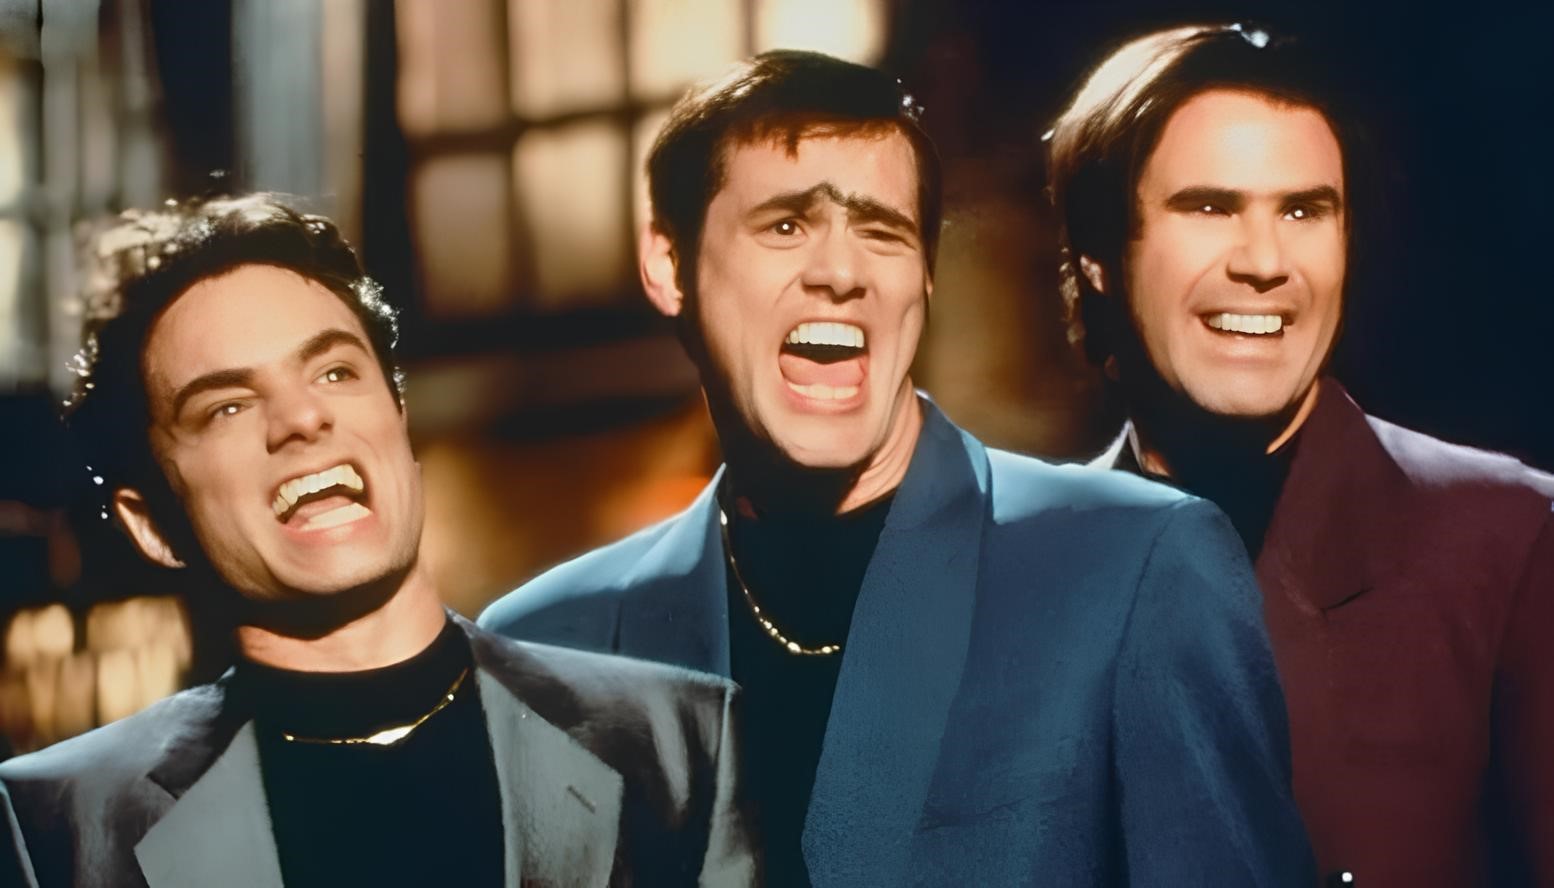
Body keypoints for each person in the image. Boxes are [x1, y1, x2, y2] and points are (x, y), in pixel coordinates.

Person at [482, 49, 1312, 886]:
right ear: (670, 266)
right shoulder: (541, 648)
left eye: (882, 232)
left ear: (924, 277)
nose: (841, 274)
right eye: (785, 225)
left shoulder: (1136, 568)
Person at [0, 195, 754, 888]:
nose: (302, 419)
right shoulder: (58, 824)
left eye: (334, 372)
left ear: (399, 419)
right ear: (153, 525)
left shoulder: (679, 744)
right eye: (227, 407)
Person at [1048, 23, 1554, 886]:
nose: (1265, 262)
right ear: (1098, 254)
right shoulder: (1017, 568)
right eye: (1210, 207)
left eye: (1303, 211)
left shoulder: (1508, 543)